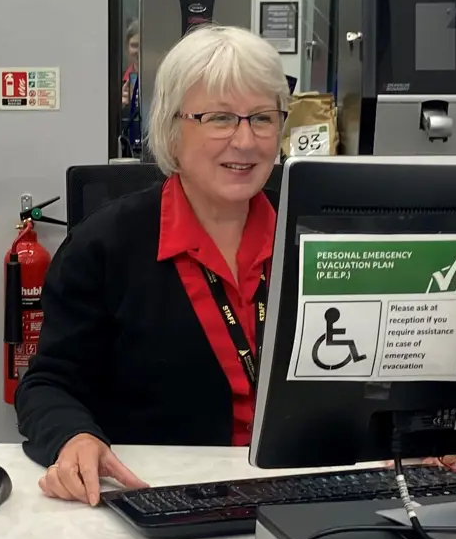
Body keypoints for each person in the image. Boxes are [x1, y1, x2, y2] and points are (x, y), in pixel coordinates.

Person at [15, 25, 289, 504]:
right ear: (170, 129)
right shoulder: (103, 245)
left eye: (262, 118)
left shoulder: (314, 235)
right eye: (220, 118)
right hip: (163, 498)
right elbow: (47, 385)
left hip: (303, 491)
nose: (245, 141)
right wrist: (74, 437)